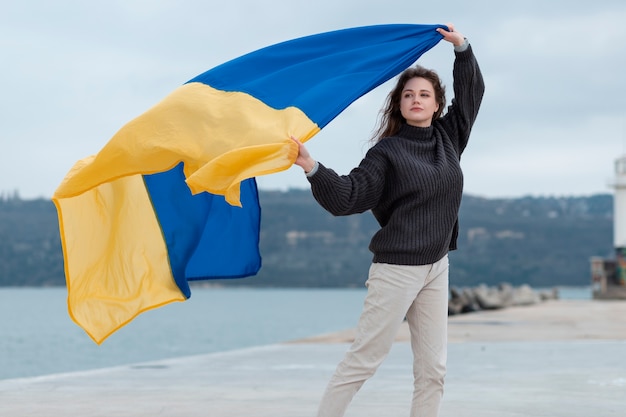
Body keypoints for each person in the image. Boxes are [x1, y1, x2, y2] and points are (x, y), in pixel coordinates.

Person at [291, 24, 485, 417]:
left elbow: (471, 96)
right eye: (409, 94)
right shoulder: (387, 153)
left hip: (437, 266)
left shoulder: (449, 137)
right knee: (366, 359)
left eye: (424, 95)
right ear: (399, 104)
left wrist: (462, 48)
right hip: (397, 269)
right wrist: (311, 166)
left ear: (435, 104)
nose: (416, 99)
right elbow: (348, 197)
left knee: (433, 369)